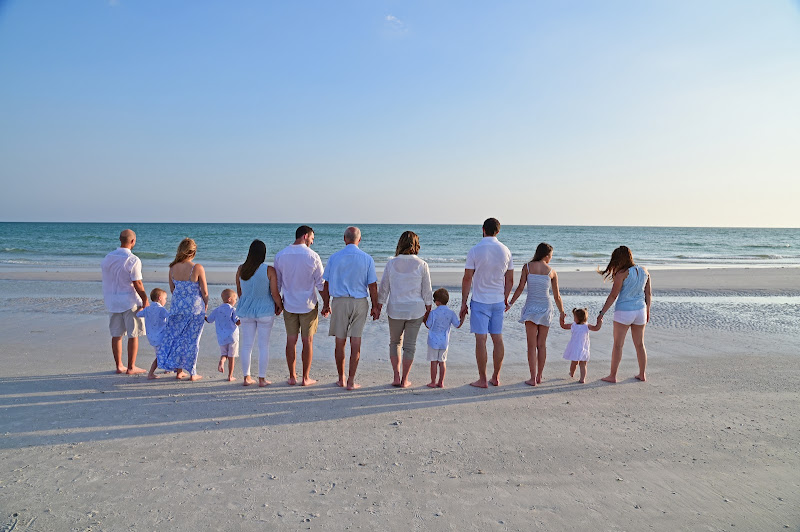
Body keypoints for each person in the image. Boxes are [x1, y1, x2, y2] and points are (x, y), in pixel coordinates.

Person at [320, 226, 378, 390]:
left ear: (344, 239)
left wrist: (326, 304)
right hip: (360, 302)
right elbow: (372, 285)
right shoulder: (367, 258)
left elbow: (326, 283)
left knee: (340, 341)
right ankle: (351, 381)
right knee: (356, 341)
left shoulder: (334, 257)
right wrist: (375, 306)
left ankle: (341, 378)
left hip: (339, 302)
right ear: (359, 240)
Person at [459, 218, 514, 388]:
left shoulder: (475, 250)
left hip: (480, 300)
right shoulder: (506, 251)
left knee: (481, 340)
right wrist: (506, 298)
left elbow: (468, 278)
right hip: (497, 300)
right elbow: (510, 280)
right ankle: (496, 377)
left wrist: (463, 303)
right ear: (498, 231)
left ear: (483, 229)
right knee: (497, 338)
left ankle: (483, 380)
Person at [377, 231, 433, 388]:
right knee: (410, 345)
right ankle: (405, 379)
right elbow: (426, 291)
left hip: (395, 308)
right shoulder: (422, 264)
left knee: (394, 342)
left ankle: (396, 376)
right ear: (416, 245)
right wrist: (429, 308)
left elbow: (384, 288)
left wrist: (378, 306)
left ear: (400, 243)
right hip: (415, 310)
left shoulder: (391, 263)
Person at [508, 242, 566, 386]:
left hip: (531, 308)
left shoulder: (527, 267)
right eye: (551, 256)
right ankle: (540, 376)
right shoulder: (551, 271)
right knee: (542, 345)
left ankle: (532, 378)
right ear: (546, 255)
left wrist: (510, 303)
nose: (551, 259)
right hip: (546, 307)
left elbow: (520, 288)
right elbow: (557, 296)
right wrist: (562, 312)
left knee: (531, 345)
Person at [274, 225, 325, 386]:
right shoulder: (313, 256)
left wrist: (277, 304)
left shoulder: (281, 255)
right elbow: (321, 284)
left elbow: (277, 284)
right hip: (308, 305)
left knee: (291, 340)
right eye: (312, 238)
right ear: (305, 236)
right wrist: (327, 303)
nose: (312, 242)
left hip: (289, 304)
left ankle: (292, 377)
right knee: (307, 341)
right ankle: (305, 378)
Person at [596, 246, 652, 383]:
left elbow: (613, 295)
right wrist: (648, 310)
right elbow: (648, 294)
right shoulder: (645, 271)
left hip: (624, 311)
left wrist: (601, 313)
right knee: (640, 344)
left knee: (618, 345)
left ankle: (613, 376)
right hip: (640, 311)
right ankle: (642, 374)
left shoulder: (622, 274)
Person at [159, 238, 209, 381]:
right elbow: (204, 292)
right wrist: (206, 304)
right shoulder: (197, 267)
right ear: (192, 252)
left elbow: (172, 289)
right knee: (192, 341)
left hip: (176, 308)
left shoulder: (172, 268)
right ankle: (193, 372)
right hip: (194, 309)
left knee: (177, 339)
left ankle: (179, 371)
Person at [236, 239, 283, 387]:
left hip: (246, 311)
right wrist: (279, 306)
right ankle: (262, 379)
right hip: (265, 311)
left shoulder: (241, 269)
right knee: (263, 346)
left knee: (246, 345)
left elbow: (240, 292)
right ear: (263, 253)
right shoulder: (269, 270)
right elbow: (274, 293)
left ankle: (246, 377)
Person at [101, 229, 148, 375]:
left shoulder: (108, 257)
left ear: (120, 239)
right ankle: (131, 367)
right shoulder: (133, 259)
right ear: (133, 241)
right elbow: (137, 283)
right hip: (129, 301)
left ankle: (119, 365)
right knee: (133, 334)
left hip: (113, 300)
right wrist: (145, 300)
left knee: (117, 334)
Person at [425, 288, 463, 388]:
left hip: (433, 341)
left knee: (433, 361)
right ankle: (441, 382)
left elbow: (429, 325)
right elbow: (457, 325)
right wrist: (463, 317)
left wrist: (424, 318)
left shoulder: (433, 313)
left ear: (437, 301)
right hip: (444, 341)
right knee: (442, 362)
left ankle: (433, 382)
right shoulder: (451, 313)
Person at [559, 307, 602, 384]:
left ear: (578, 318)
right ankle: (582, 379)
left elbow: (563, 326)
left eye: (574, 317)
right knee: (583, 364)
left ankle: (571, 373)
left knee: (574, 362)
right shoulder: (587, 326)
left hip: (575, 348)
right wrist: (600, 322)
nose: (574, 318)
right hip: (583, 348)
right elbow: (596, 328)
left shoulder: (573, 325)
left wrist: (561, 319)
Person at [206, 289, 241, 382]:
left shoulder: (217, 310)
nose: (236, 301)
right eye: (235, 299)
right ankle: (230, 376)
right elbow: (237, 322)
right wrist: (245, 318)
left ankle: (222, 361)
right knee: (232, 357)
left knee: (224, 354)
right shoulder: (233, 310)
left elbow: (209, 320)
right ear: (230, 299)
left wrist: (203, 315)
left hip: (221, 337)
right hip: (232, 337)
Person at [135, 288, 169, 380]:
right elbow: (170, 317)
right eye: (165, 298)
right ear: (159, 298)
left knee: (161, 353)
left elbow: (138, 315)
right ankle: (150, 373)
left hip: (152, 337)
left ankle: (167, 369)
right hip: (162, 337)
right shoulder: (161, 309)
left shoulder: (148, 309)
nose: (166, 301)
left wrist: (142, 308)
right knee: (162, 355)